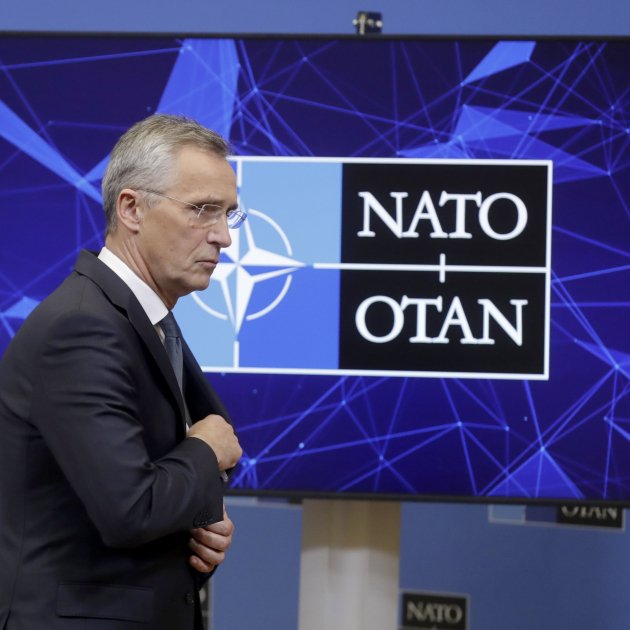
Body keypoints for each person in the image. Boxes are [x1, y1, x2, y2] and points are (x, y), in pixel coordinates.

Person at [0, 114, 244, 630]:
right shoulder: (83, 326)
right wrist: (205, 452)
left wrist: (201, 527)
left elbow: (152, 480)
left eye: (228, 214)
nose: (223, 236)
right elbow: (131, 509)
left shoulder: (142, 321)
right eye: (203, 210)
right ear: (131, 208)